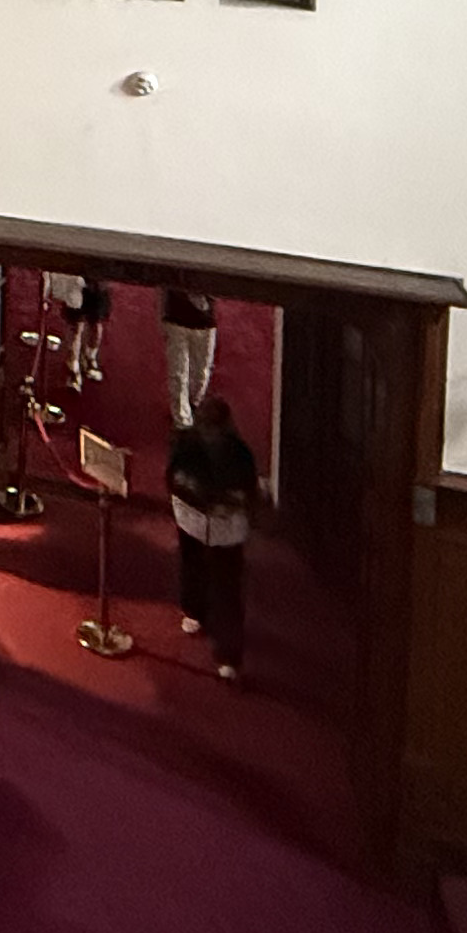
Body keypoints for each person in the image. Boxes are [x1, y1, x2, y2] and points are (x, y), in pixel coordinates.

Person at [167, 396, 258, 681]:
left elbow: (248, 491)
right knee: (192, 563)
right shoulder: (187, 443)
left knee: (227, 587)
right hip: (192, 518)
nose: (210, 435)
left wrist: (227, 502)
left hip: (225, 526)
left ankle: (228, 654)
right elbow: (173, 477)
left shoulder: (239, 453)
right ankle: (194, 609)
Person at [162, 287, 220, 428]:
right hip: (176, 320)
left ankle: (193, 404)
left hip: (205, 324)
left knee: (202, 372)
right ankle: (181, 421)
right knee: (178, 371)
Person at [46, 268, 105, 390]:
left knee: (96, 324)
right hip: (74, 282)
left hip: (96, 284)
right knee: (76, 327)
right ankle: (73, 368)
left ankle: (90, 357)